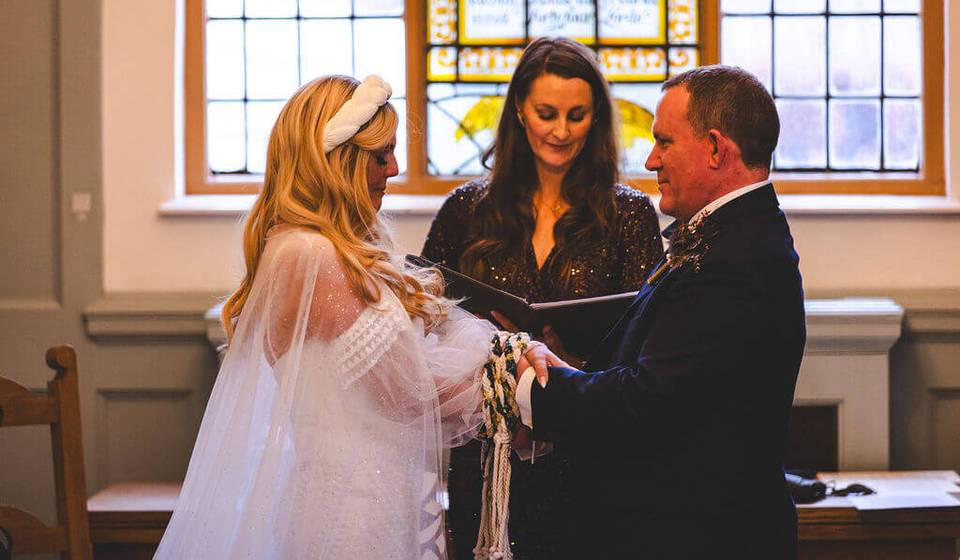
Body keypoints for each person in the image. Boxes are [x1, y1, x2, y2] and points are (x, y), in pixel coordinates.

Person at [155, 75, 506, 559]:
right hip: (352, 517)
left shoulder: (313, 247)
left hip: (366, 499)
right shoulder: (311, 255)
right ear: (335, 161)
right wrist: (513, 385)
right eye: (380, 156)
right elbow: (407, 393)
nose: (395, 168)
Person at [517, 65, 807, 559]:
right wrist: (571, 372)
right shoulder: (730, 235)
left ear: (714, 149)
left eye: (664, 142)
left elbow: (647, 401)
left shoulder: (736, 259)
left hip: (707, 538)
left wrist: (529, 384)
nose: (652, 159)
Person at [422, 37, 664, 559]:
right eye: (546, 114)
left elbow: (648, 342)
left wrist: (568, 356)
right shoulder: (466, 210)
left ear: (597, 118)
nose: (561, 131)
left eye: (577, 115)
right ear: (519, 110)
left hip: (588, 450)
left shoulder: (628, 214)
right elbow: (425, 325)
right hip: (488, 452)